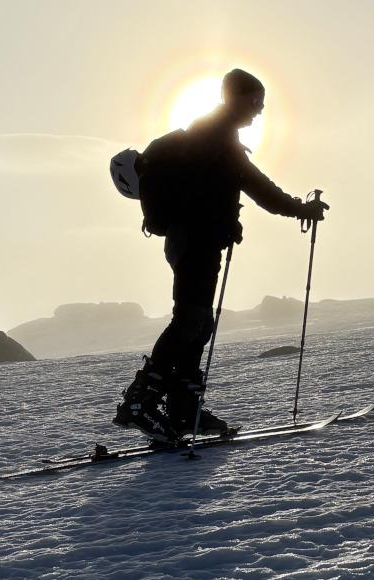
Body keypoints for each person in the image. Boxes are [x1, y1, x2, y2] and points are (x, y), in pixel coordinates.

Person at [113, 69, 329, 442]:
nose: (259, 111)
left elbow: (238, 185)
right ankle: (139, 404)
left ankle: (182, 410)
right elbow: (259, 187)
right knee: (189, 321)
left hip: (198, 241)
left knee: (198, 323)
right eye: (255, 102)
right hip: (194, 240)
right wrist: (300, 209)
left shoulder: (212, 135)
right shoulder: (216, 137)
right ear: (237, 98)